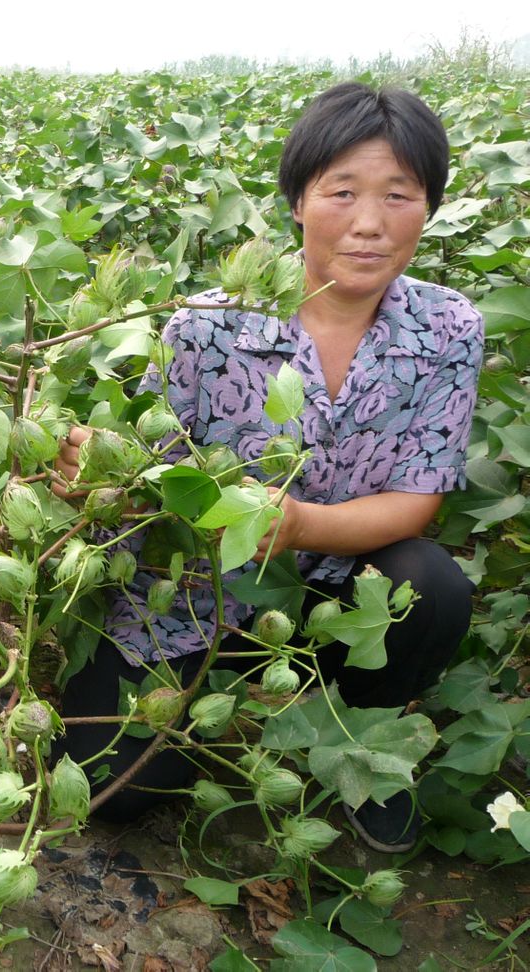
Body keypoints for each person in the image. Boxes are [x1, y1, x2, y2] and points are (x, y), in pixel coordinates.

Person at [55, 82, 483, 853]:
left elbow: (418, 495)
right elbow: (145, 478)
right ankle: (207, 710)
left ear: (429, 206)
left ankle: (359, 738)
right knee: (110, 788)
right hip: (191, 597)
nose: (367, 223)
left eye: (399, 195)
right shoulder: (205, 326)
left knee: (435, 585)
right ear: (296, 200)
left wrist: (298, 527)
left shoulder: (450, 327)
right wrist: (95, 476)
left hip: (340, 591)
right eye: (342, 192)